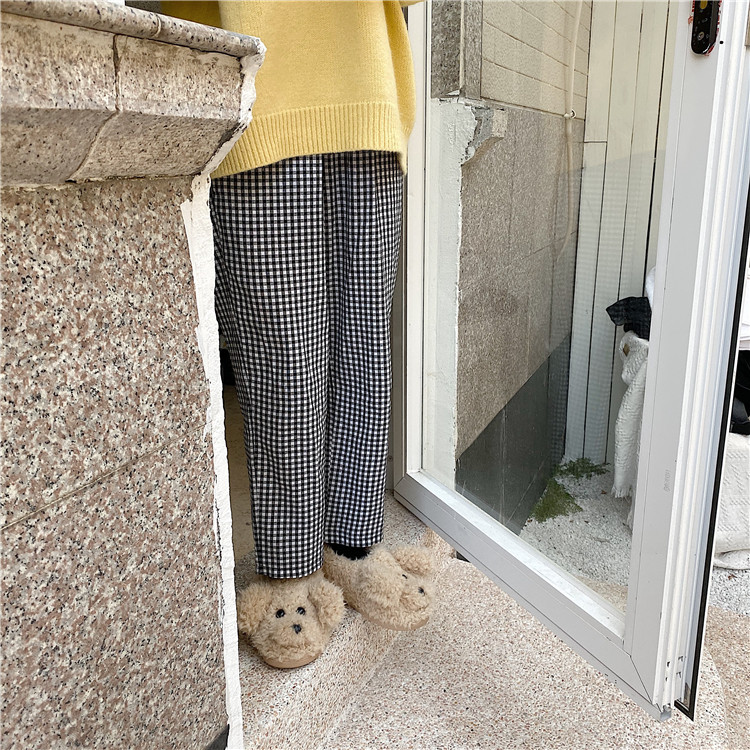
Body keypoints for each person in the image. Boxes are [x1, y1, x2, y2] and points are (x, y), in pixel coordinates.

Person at [163, 0, 434, 667]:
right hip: (261, 89)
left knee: (363, 349)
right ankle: (289, 571)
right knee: (284, 364)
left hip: (369, 89)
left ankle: (352, 546)